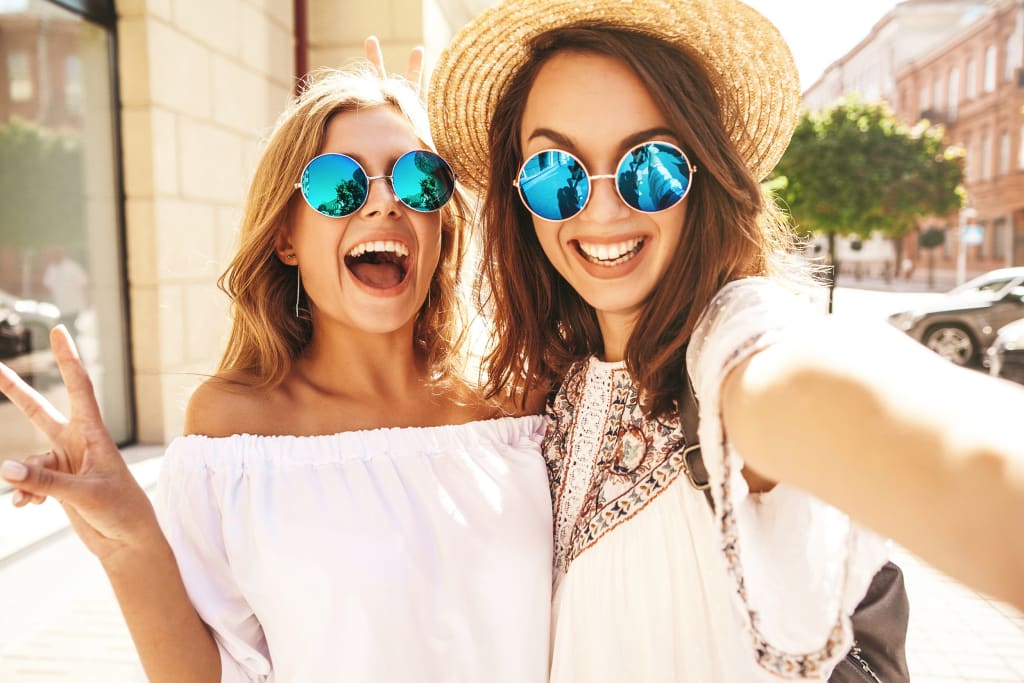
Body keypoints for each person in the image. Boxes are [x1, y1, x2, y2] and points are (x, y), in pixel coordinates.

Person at [426, 0, 1024, 680]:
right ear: (518, 194)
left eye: (648, 166)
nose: (600, 207)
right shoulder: (556, 375)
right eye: (554, 172)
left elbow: (837, 397)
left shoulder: (731, 344)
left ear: (704, 171)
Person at [0, 63, 553, 682]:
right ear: (286, 237)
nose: (383, 203)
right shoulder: (236, 432)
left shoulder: (515, 410)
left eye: (418, 179)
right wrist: (128, 539)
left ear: (440, 226)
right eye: (339, 183)